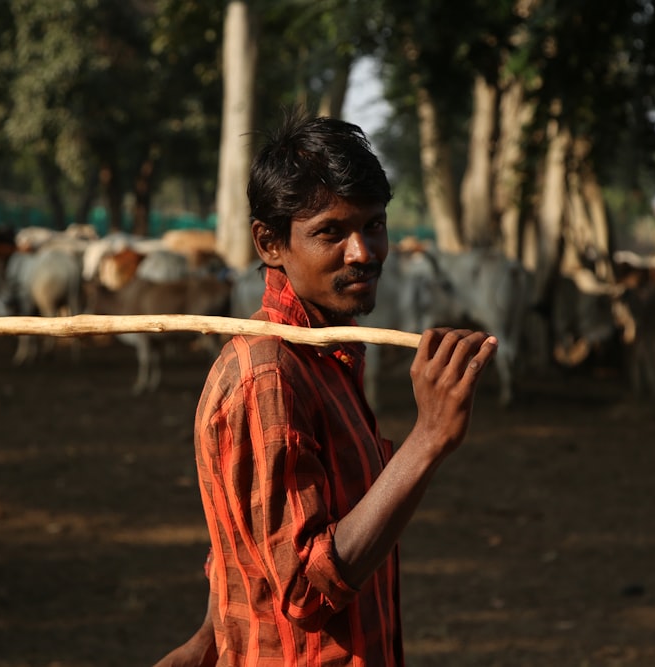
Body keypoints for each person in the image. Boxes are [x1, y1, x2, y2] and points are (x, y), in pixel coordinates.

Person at [153, 112, 497, 667]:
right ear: (270, 243)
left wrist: (209, 638)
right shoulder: (269, 376)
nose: (363, 253)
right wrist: (429, 438)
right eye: (331, 232)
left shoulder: (325, 357)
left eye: (374, 225)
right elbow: (307, 590)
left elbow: (254, 548)